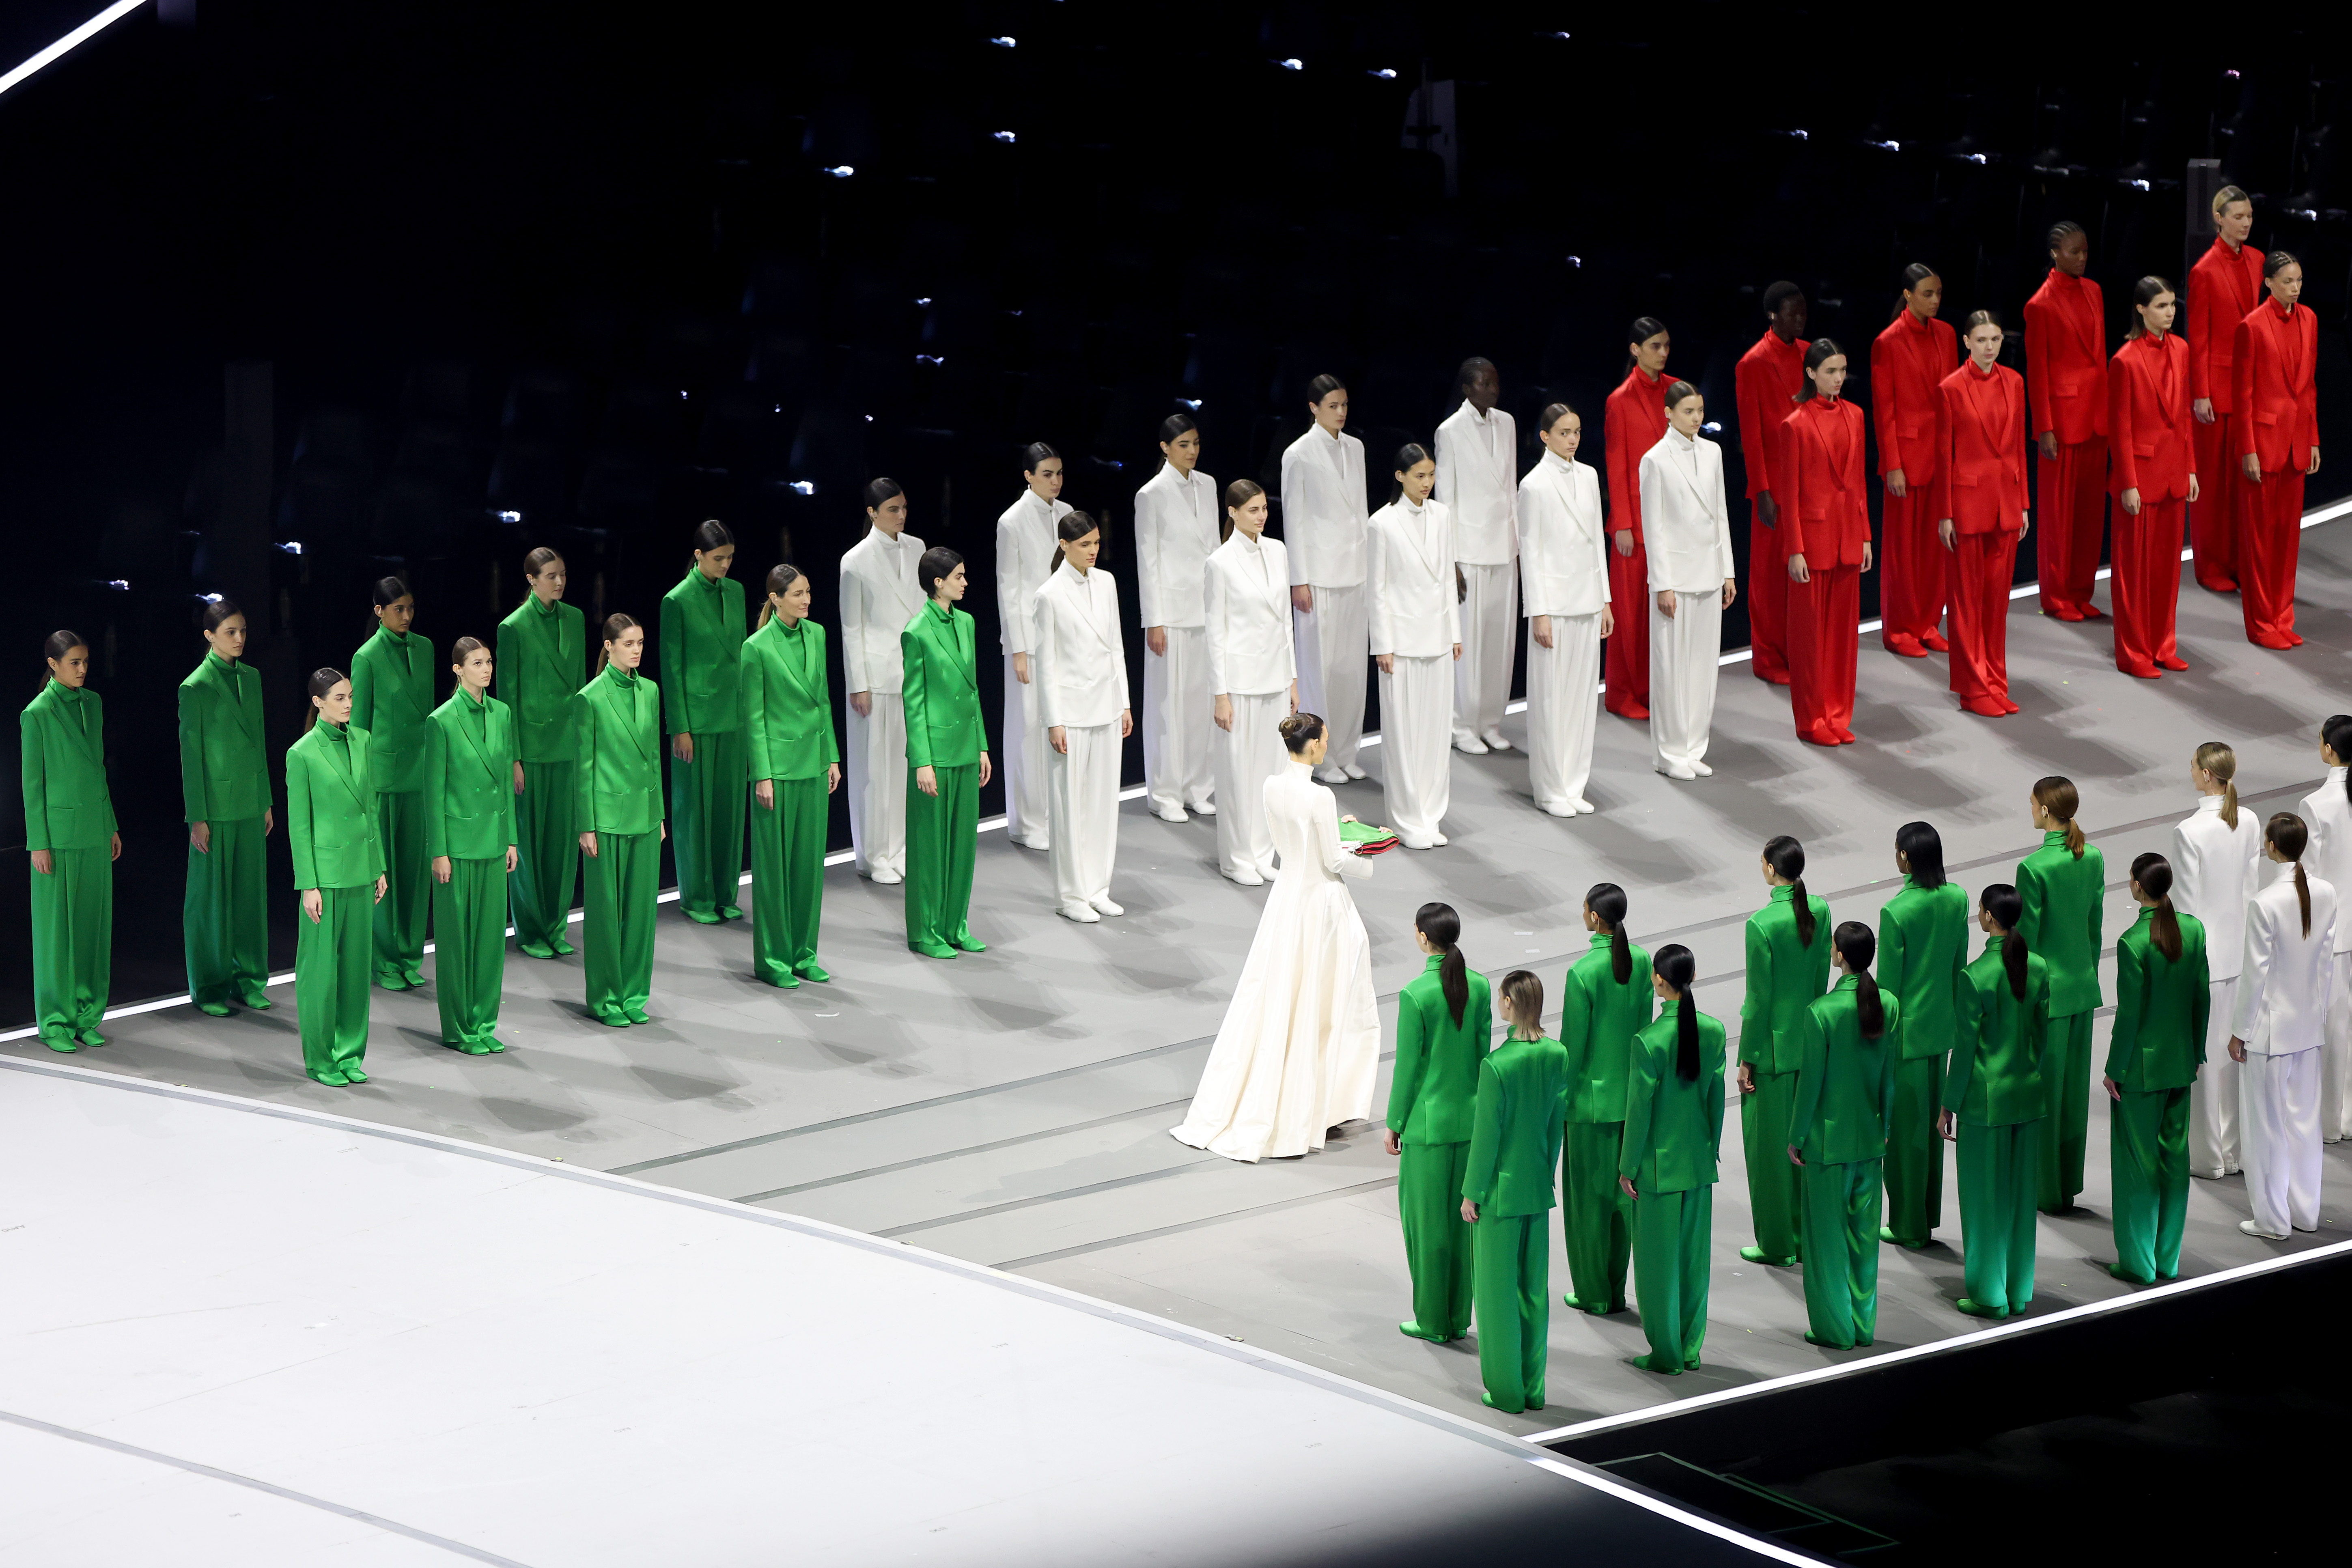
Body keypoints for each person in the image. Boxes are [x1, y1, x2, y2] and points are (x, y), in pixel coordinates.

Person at [1170, 713, 1378, 1161]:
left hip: (1286, 900)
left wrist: (1338, 830)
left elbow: (1299, 841)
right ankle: (1320, 1105)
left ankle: (1302, 1101)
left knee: (1280, 996)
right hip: (1322, 905)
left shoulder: (1271, 785)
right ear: (1317, 747)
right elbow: (1333, 862)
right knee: (1330, 1002)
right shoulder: (1320, 795)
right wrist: (1370, 852)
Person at [1384, 902, 1492, 1344]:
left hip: (1427, 1129)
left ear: (1424, 938)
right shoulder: (1482, 987)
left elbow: (1407, 1069)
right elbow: (1484, 1056)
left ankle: (1432, 1321)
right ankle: (1458, 1317)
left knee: (1426, 1228)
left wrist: (1395, 1121)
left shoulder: (1416, 995)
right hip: (1470, 1124)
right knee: (1462, 1227)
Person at [1788, 922, 1900, 1350]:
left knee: (1825, 1240)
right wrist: (1885, 1127)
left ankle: (1834, 1328)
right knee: (1864, 1239)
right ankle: (1863, 1323)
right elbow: (1889, 1077)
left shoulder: (1822, 1013)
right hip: (1870, 1139)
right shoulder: (1887, 1004)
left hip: (1827, 1144)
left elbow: (1811, 1086)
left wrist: (1797, 1136)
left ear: (1839, 955)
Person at [1941, 884, 2050, 1320]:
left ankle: (1989, 1294)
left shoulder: (1974, 977)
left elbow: (1964, 1053)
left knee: (1985, 1202)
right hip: (2027, 1096)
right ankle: (2018, 1289)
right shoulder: (2038, 967)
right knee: (2021, 1202)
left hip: (1985, 1106)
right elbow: (2041, 1037)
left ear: (1987, 917)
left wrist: (1949, 1104)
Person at [1461, 969, 1567, 1413]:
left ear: (1507, 1003)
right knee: (1533, 1290)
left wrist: (1471, 1193)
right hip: (1536, 1187)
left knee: (1496, 1293)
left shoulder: (1497, 1065)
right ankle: (1533, 1386)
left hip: (1500, 1196)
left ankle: (1505, 1391)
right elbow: (1555, 1123)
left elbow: (1487, 1138)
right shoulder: (1557, 1054)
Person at [1618, 943, 1726, 1375]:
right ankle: (1690, 1346)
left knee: (1657, 1266)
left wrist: (1627, 1168)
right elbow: (1717, 1101)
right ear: (1694, 975)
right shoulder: (1714, 1031)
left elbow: (1639, 1113)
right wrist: (1710, 1148)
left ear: (1659, 981)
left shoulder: (1648, 1041)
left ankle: (1665, 1353)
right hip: (1698, 1162)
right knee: (1693, 1262)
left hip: (1658, 1171)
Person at [2229, 813, 2339, 1239]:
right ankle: (2305, 1212)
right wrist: (2319, 1015)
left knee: (2266, 1128)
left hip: (2270, 1033)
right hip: (2309, 1026)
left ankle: (2273, 1220)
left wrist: (2240, 1031)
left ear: (2271, 846)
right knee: (2303, 1124)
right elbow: (2325, 965)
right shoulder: (2326, 893)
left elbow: (2255, 975)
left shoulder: (2265, 902)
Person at [2103, 853, 2208, 1283]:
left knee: (2137, 1166)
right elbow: (2202, 996)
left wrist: (2114, 1068)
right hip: (2180, 1064)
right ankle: (2167, 1259)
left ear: (2136, 887)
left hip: (2141, 1072)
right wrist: (2196, 1051)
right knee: (2173, 1162)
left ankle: (2138, 1262)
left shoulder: (2133, 942)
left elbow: (2129, 1017)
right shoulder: (2193, 929)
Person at [286, 668, 387, 1086]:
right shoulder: (303, 753)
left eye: (350, 696)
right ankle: (320, 1058)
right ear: (318, 702)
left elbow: (371, 807)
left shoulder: (363, 740)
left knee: (355, 973)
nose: (348, 703)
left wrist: (379, 864)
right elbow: (300, 826)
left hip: (361, 870)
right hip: (325, 878)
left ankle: (349, 1053)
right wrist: (308, 884)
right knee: (320, 974)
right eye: (340, 697)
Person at [1032, 512, 1134, 922]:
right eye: (1084, 544)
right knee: (1070, 805)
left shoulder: (1106, 582)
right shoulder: (1050, 594)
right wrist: (1054, 720)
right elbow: (1047, 664)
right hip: (1071, 714)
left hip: (1106, 707)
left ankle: (1099, 887)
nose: (1093, 551)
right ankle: (1073, 894)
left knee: (1103, 804)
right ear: (1064, 545)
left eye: (1095, 543)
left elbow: (1116, 647)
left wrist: (1124, 702)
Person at [743, 563, 840, 988]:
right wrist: (762, 775)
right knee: (775, 871)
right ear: (776, 598)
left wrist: (833, 756)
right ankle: (773, 960)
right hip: (778, 771)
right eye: (798, 594)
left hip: (814, 763)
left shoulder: (817, 635)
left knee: (807, 867)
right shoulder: (757, 647)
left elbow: (822, 700)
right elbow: (753, 717)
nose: (806, 599)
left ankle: (804, 953)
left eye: (808, 592)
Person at [1558, 883, 1654, 1315]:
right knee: (1621, 1202)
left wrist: (1556, 1099)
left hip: (1588, 1107)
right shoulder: (1642, 962)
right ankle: (1615, 1290)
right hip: (1631, 1100)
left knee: (1588, 1208)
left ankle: (1594, 1293)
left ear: (1595, 917)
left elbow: (1572, 1049)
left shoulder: (1582, 973)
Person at [24, 631, 121, 1051]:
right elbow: (33, 784)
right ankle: (55, 1021)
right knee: (56, 933)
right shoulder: (37, 713)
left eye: (85, 662)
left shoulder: (94, 703)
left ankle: (87, 1013)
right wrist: (38, 842)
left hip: (95, 829)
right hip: (58, 836)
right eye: (74, 663)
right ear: (53, 663)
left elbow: (97, 768)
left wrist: (111, 823)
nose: (82, 669)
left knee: (92, 928)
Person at [1876, 821, 1970, 1249]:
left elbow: (1888, 992)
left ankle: (1908, 1224)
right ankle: (1927, 1214)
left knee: (1905, 1134)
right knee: (1933, 1129)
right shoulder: (1957, 898)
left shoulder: (1897, 912)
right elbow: (1959, 965)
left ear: (1905, 859)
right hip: (1942, 1028)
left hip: (1905, 1038)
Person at [1739, 835, 1832, 1266]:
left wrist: (1747, 1058)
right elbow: (1818, 980)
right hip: (1808, 1045)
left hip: (1773, 1055)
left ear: (1772, 870)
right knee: (1804, 1147)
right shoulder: (1821, 909)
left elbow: (1759, 1002)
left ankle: (1778, 1243)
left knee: (1770, 1156)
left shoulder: (1761, 924)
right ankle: (1803, 1231)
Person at [1932, 310, 2031, 717]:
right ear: (1966, 343)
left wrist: (2023, 500)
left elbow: (2017, 448)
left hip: (2005, 504)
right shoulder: (1951, 388)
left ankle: (1995, 681)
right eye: (1982, 339)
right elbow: (1943, 454)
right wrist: (1945, 513)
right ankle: (1973, 689)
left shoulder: (2014, 381)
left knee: (1996, 604)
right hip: (1968, 506)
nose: (1990, 346)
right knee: (1967, 603)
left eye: (1996, 339)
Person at [179, 599, 274, 1016]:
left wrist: (267, 799)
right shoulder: (195, 686)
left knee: (250, 898)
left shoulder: (251, 678)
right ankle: (211, 986)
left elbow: (260, 742)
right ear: (209, 636)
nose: (239, 640)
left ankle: (249, 978)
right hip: (216, 808)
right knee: (212, 902)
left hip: (251, 802)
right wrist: (197, 817)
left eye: (243, 632)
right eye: (231, 633)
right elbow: (191, 755)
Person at [423, 636, 518, 1053]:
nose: (486, 669)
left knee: (489, 941)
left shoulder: (502, 713)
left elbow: (504, 787)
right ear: (458, 670)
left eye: (489, 661)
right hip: (458, 845)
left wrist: (512, 838)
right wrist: (438, 851)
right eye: (477, 663)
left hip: (495, 841)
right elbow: (434, 792)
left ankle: (484, 1023)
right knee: (458, 940)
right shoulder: (441, 721)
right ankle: (459, 1027)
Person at [2171, 741, 2262, 1178]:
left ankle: (2208, 1157)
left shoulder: (2189, 832)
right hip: (2239, 953)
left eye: (2193, 766)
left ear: (2207, 775)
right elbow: (2250, 889)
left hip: (2204, 959)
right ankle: (2234, 1149)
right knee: (2233, 1057)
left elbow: (2187, 911)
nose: (2190, 771)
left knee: (2204, 1059)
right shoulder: (2248, 819)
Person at [1516, 403, 1611, 816]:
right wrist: (1539, 611)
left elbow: (1596, 541)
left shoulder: (1589, 476)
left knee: (1581, 698)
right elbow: (1531, 553)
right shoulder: (1534, 485)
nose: (1573, 439)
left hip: (1588, 601)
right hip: (1554, 604)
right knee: (1552, 699)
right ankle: (1550, 787)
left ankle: (1574, 783)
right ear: (1545, 436)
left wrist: (1605, 598)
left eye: (1576, 431)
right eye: (1564, 432)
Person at [1366, 442, 1462, 849]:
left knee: (1436, 733)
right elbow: (1378, 590)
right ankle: (1406, 819)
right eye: (1419, 475)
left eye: (1431, 475)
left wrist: (1455, 633)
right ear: (1400, 476)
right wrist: (1382, 645)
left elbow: (1446, 579)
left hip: (1438, 637)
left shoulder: (1442, 516)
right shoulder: (1382, 523)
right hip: (1401, 643)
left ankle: (1430, 814)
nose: (1427, 483)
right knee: (1404, 732)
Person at [1779, 338, 1873, 747]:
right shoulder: (1795, 423)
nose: (1838, 378)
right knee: (1809, 638)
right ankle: (1811, 718)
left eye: (1842, 371)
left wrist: (1866, 533)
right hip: (1813, 539)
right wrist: (1795, 548)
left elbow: (1858, 483)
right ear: (1812, 373)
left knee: (1841, 637)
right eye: (1830, 371)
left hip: (1848, 535)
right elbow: (1790, 493)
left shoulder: (1855, 415)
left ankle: (1837, 712)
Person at [1642, 381, 1739, 780]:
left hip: (1709, 573)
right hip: (1676, 578)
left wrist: (1728, 569)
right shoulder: (1656, 459)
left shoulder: (1712, 451)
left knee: (1702, 667)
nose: (1697, 418)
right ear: (1668, 413)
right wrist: (1662, 583)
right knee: (1672, 667)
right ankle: (1669, 752)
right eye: (1688, 412)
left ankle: (1694, 745)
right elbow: (1655, 528)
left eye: (1699, 410)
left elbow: (1720, 513)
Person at [2016, 775, 2104, 1215]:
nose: (2030, 810)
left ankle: (2045, 1188)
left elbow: (2028, 945)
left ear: (2047, 812)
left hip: (2047, 997)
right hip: (2083, 988)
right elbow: (2094, 925)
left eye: (2033, 804)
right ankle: (2068, 1181)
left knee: (2044, 1095)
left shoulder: (2034, 869)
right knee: (2073, 1094)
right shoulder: (2092, 856)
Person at [1204, 480, 1298, 885]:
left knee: (1271, 772)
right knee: (1238, 773)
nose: (1261, 515)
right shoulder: (1220, 563)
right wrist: (1220, 693)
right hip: (1240, 682)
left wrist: (1293, 677)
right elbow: (1215, 633)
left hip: (1276, 677)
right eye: (1253, 510)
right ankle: (1237, 858)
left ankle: (1262, 852)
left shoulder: (1278, 551)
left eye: (1263, 508)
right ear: (1232, 512)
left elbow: (1286, 621)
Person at [574, 614, 665, 1026]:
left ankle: (633, 993)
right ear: (609, 646)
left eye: (641, 642)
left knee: (642, 912)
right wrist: (586, 824)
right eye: (629, 643)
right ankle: (606, 998)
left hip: (645, 816)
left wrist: (660, 813)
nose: (637, 649)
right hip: (607, 818)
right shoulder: (590, 697)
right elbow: (585, 768)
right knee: (607, 913)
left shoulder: (650, 690)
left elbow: (655, 758)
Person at [902, 547, 992, 959]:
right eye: (958, 576)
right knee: (929, 847)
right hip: (935, 754)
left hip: (965, 747)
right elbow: (914, 701)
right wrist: (921, 760)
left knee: (962, 844)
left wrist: (983, 746)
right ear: (937, 582)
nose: (965, 582)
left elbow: (973, 690)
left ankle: (956, 925)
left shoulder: (968, 623)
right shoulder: (917, 630)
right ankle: (926, 932)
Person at [2107, 277, 2198, 678]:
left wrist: (2192, 467)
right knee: (2133, 572)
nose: (2169, 312)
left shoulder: (2182, 350)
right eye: (2161, 306)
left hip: (2175, 471)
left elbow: (2183, 419)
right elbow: (2120, 428)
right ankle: (2134, 652)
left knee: (2167, 569)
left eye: (2172, 305)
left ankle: (2164, 644)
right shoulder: (2125, 360)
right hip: (2140, 477)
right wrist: (2128, 482)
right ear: (2141, 310)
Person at [1282, 376, 1371, 783]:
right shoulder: (1298, 454)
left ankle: (1348, 749)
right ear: (1314, 408)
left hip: (1354, 572)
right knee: (1321, 669)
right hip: (1318, 576)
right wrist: (1299, 579)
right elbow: (1295, 518)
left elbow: (1361, 512)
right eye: (1333, 405)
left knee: (1351, 671)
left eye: (1345, 404)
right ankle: (1320, 755)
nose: (1341, 411)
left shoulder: (1356, 448)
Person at [497, 547, 585, 959]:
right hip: (531, 749)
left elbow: (583, 687)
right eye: (551, 575)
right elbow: (508, 696)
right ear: (532, 580)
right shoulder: (513, 627)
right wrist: (513, 757)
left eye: (563, 574)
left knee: (563, 844)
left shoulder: (576, 619)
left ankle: (556, 924)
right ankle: (531, 929)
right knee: (530, 843)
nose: (560, 582)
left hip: (569, 745)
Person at [2231, 251, 2322, 649]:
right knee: (2260, 541)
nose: (2296, 288)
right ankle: (2262, 624)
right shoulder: (2251, 327)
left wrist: (2314, 437)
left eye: (2299, 280)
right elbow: (2243, 396)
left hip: (2297, 443)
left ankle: (2283, 617)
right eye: (2288, 281)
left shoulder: (2310, 320)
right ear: (2268, 282)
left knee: (2287, 539)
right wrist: (2248, 449)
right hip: (2264, 446)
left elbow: (2310, 387)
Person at [659, 520, 748, 923]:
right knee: (695, 812)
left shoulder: (737, 592)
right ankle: (696, 896)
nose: (726, 565)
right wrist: (680, 726)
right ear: (699, 556)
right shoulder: (676, 600)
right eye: (718, 558)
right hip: (696, 721)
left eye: (729, 557)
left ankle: (725, 892)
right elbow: (671, 667)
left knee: (729, 810)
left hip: (735, 716)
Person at [839, 479, 925, 884]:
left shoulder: (917, 548)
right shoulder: (855, 560)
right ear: (872, 513)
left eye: (904, 507)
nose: (901, 515)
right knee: (874, 769)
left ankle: (899, 849)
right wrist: (858, 682)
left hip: (910, 672)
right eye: (893, 509)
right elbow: (851, 626)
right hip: (875, 676)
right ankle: (873, 855)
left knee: (904, 766)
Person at [1133, 414, 1219, 822]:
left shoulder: (1209, 485)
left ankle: (1197, 785)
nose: (1192, 450)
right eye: (1183, 444)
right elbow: (1148, 561)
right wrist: (1155, 619)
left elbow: (1217, 551)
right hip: (1171, 612)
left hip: (1205, 608)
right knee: (1168, 706)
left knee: (1201, 705)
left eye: (1196, 443)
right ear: (1166, 448)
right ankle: (1165, 792)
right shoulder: (1151, 494)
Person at [350, 576, 434, 991]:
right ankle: (384, 959)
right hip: (383, 780)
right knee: (385, 873)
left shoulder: (426, 648)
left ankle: (409, 954)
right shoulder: (366, 658)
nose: (406, 616)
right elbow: (359, 727)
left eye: (410, 608)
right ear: (379, 611)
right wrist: (360, 785)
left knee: (416, 872)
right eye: (398, 609)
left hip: (420, 775)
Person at [2024, 221, 2109, 622]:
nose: (2082, 258)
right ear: (2055, 254)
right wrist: (2044, 427)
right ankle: (2056, 596)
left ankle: (2080, 590)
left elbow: (2099, 356)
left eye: (2086, 251)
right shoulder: (2040, 305)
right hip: (2062, 421)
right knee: (2059, 515)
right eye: (2075, 252)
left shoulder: (2094, 292)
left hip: (2096, 416)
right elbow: (2037, 371)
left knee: (2090, 514)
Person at [1434, 356, 1520, 753]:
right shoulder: (1450, 431)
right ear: (1468, 389)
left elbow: (1511, 488)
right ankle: (1461, 724)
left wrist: (1518, 542)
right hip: (1468, 550)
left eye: (1496, 381)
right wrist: (1449, 560)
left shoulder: (1507, 424)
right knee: (1469, 641)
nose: (1494, 388)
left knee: (1499, 642)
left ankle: (1489, 719)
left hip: (1503, 546)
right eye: (1485, 383)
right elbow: (1445, 497)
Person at [1873, 265, 1959, 657]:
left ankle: (1928, 622)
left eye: (1939, 292)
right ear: (1908, 295)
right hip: (1906, 458)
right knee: (1902, 550)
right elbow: (1884, 408)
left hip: (1941, 454)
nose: (1936, 300)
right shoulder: (1888, 342)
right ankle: (1899, 629)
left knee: (1935, 544)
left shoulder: (1946, 334)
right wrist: (1892, 463)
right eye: (1928, 293)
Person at [2186, 185, 2262, 592]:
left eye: (2249, 216)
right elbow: (2197, 337)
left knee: (2241, 481)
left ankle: (2236, 560)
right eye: (2238, 217)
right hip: (2215, 390)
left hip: (2250, 387)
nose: (2246, 223)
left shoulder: (2258, 260)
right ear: (2219, 219)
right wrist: (2201, 392)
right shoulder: (2204, 270)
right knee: (2213, 484)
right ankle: (2210, 565)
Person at [995, 443, 1070, 848]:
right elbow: (1009, 588)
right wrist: (1019, 647)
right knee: (1027, 728)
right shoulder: (1012, 521)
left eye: (1059, 473)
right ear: (1028, 476)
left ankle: (1053, 813)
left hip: (1060, 636)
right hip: (1028, 639)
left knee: (1054, 723)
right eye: (1047, 474)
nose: (1055, 481)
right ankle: (1026, 822)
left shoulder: (1067, 515)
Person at [1734, 282, 1809, 685]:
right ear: (1772, 315)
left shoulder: (1808, 353)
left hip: (1807, 480)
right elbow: (1751, 434)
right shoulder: (1753, 363)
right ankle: (1767, 657)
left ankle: (1795, 648)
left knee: (1799, 572)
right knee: (1768, 575)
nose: (1800, 318)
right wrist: (1761, 490)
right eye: (1792, 312)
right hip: (1774, 485)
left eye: (1803, 312)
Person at [1603, 318, 1674, 721]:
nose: (1663, 353)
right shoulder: (1620, 400)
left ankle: (1650, 687)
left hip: (1670, 519)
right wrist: (1624, 524)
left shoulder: (1674, 391)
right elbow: (1617, 464)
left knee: (1658, 611)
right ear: (1636, 350)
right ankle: (1621, 692)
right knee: (1629, 613)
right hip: (1635, 522)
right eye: (1655, 346)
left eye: (1666, 346)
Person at [2300, 715, 2352, 1141]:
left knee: (2334, 1030)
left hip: (2336, 933)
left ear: (2329, 751)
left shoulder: (2316, 805)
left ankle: (2333, 1122)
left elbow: (2311, 878)